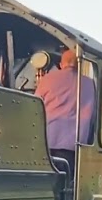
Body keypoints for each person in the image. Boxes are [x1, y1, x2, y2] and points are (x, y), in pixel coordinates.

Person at [35, 49, 96, 182]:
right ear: (79, 64)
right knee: (67, 184)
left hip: (48, 142)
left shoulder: (47, 79)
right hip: (76, 146)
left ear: (61, 64)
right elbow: (94, 117)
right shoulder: (90, 85)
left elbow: (35, 107)